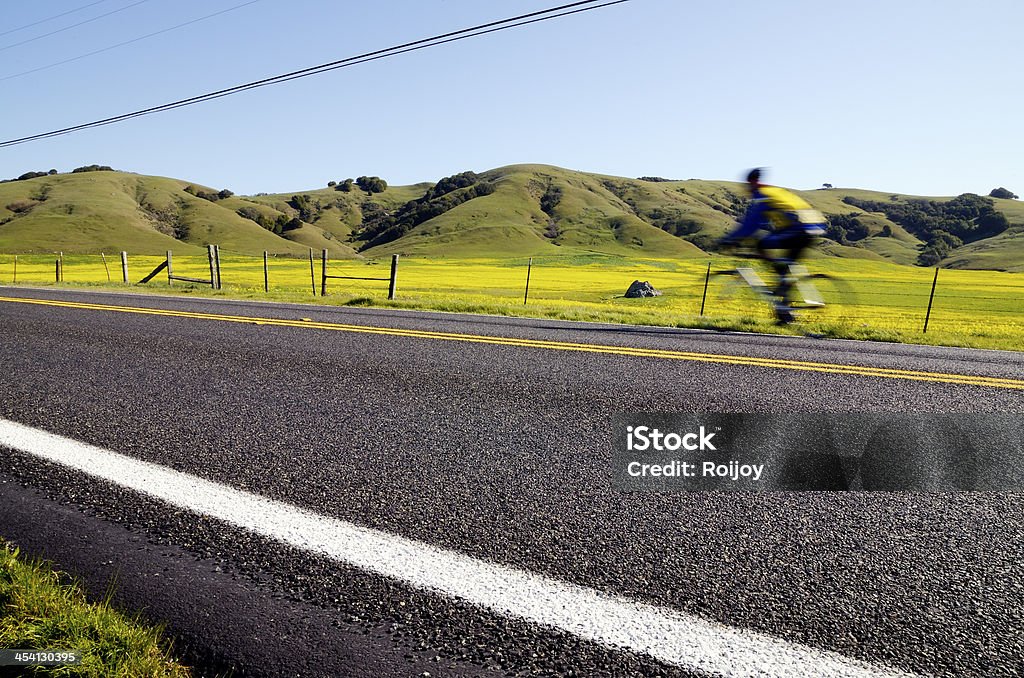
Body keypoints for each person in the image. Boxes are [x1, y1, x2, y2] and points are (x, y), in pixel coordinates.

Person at [718, 168, 826, 323]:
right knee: (787, 268)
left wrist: (730, 239)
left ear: (752, 182)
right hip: (813, 227)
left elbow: (751, 224)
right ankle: (785, 311)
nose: (747, 189)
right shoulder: (775, 191)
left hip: (800, 229)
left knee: (761, 244)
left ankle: (782, 279)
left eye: (748, 185)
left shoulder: (762, 196)